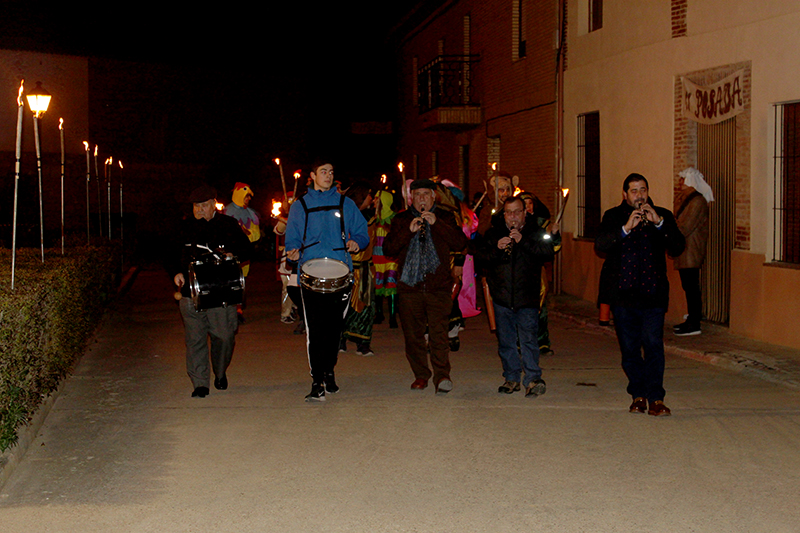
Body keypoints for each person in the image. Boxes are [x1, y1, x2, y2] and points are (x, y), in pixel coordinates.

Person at [595, 173, 685, 416]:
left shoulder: (662, 215)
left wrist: (660, 223)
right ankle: (638, 394)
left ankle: (656, 398)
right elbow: (601, 244)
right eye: (634, 191)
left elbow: (678, 246)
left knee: (653, 343)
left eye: (642, 190)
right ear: (625, 194)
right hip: (623, 295)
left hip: (652, 295)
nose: (639, 195)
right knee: (630, 348)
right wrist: (625, 229)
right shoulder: (613, 216)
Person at [285, 161, 369, 402]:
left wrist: (357, 242)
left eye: (331, 172)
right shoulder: (300, 205)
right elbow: (292, 238)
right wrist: (293, 251)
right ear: (312, 176)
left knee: (334, 330)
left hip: (341, 273)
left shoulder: (345, 203)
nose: (328, 175)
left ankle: (329, 370)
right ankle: (317, 381)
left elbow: (362, 232)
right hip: (309, 274)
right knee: (315, 330)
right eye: (323, 172)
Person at [383, 179, 468, 394]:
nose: (422, 199)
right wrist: (408, 231)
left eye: (426, 194)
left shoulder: (446, 217)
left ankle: (442, 376)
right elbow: (389, 249)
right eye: (417, 195)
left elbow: (460, 243)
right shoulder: (401, 219)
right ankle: (421, 375)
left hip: (438, 286)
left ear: (433, 197)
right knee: (413, 336)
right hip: (409, 287)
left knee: (439, 334)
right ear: (411, 198)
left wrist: (437, 223)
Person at [171, 184, 251, 398]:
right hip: (191, 292)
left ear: (214, 204)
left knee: (224, 337)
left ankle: (220, 371)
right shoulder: (184, 227)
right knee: (195, 340)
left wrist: (232, 254)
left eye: (204, 205)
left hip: (220, 292)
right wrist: (175, 272)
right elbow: (170, 253)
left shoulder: (228, 225)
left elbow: (247, 248)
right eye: (196, 206)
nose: (199, 210)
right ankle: (200, 383)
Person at [479, 196, 558, 396]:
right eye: (509, 212)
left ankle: (532, 378)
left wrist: (523, 242)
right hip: (502, 296)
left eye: (517, 212)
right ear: (504, 214)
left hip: (527, 296)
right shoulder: (494, 233)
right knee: (506, 341)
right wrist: (497, 249)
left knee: (528, 339)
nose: (513, 216)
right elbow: (481, 257)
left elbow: (547, 252)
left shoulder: (536, 231)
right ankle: (511, 377)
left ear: (525, 213)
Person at [518, 190, 560, 356]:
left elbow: (552, 248)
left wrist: (554, 234)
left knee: (540, 307)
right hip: (518, 271)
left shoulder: (543, 224)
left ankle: (541, 341)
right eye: (524, 204)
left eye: (530, 203)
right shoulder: (513, 223)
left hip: (536, 270)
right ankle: (519, 341)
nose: (528, 207)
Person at [673, 167, 713, 336]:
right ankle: (691, 318)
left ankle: (694, 322)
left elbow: (686, 226)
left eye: (683, 179)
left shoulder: (697, 202)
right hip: (685, 249)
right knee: (687, 285)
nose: (680, 182)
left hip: (691, 249)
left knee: (691, 287)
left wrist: (670, 233)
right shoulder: (686, 199)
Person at [340, 182, 377, 356]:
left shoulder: (370, 217)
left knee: (365, 306)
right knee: (343, 305)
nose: (371, 198)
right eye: (368, 195)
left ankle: (363, 342)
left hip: (364, 269)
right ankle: (340, 339)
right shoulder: (346, 217)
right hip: (347, 268)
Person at [223, 182, 261, 323]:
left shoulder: (250, 213)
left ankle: (238, 311)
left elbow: (255, 234)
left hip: (243, 254)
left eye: (249, 196)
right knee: (229, 283)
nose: (249, 199)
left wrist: (247, 234)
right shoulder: (226, 212)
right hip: (229, 254)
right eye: (246, 196)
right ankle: (229, 311)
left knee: (240, 283)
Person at [373, 190, 400, 328]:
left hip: (390, 258)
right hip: (376, 257)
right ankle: (379, 313)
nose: (374, 201)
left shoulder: (395, 219)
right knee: (377, 285)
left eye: (377, 199)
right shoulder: (373, 219)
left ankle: (393, 316)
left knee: (391, 285)